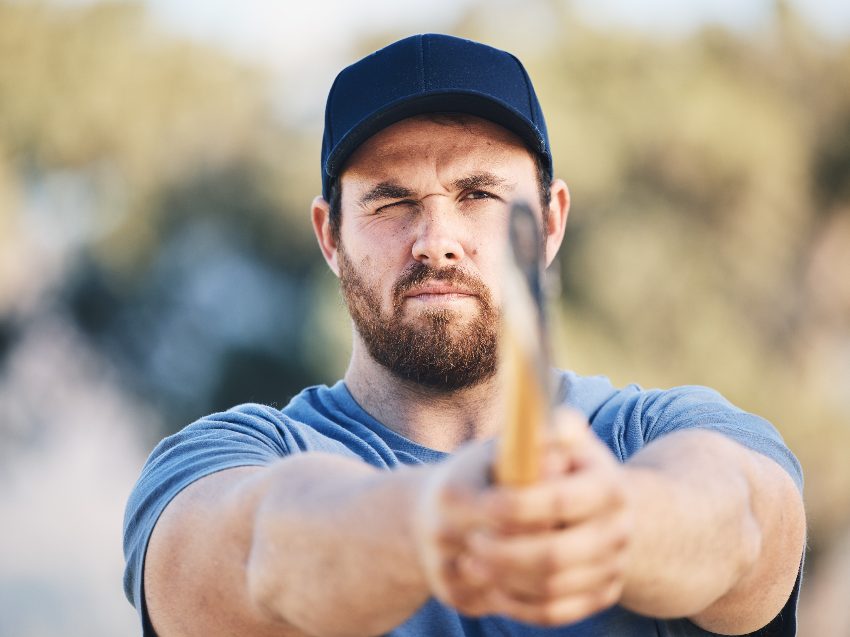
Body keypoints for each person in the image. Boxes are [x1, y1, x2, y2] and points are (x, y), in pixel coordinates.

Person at [123, 33, 805, 637]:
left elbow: (745, 521)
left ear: (550, 220)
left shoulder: (655, 435)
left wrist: (616, 524)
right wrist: (440, 519)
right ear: (329, 236)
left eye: (477, 193)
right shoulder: (230, 459)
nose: (436, 241)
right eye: (393, 202)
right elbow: (255, 553)